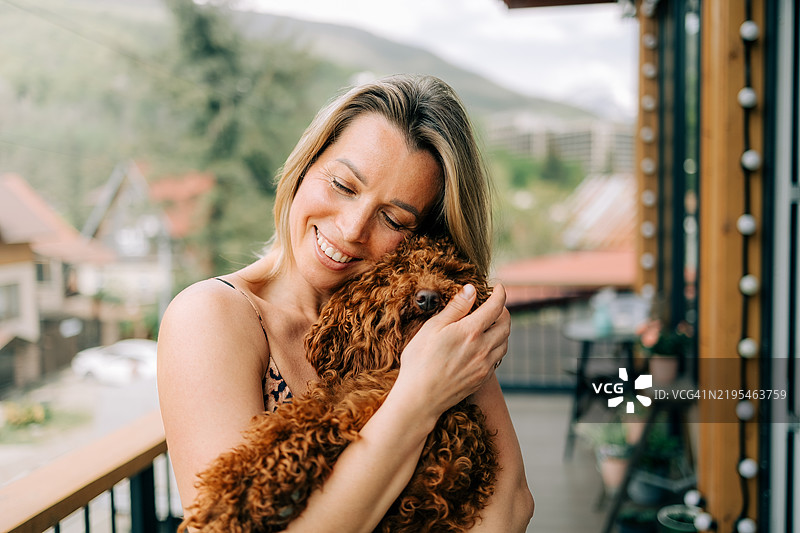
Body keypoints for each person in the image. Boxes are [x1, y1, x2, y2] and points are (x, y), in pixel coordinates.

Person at [158, 74, 534, 532]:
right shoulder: (211, 315)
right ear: (304, 166)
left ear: (423, 239)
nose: (353, 228)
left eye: (393, 218)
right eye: (343, 184)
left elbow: (511, 504)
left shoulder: (423, 317)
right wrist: (419, 398)